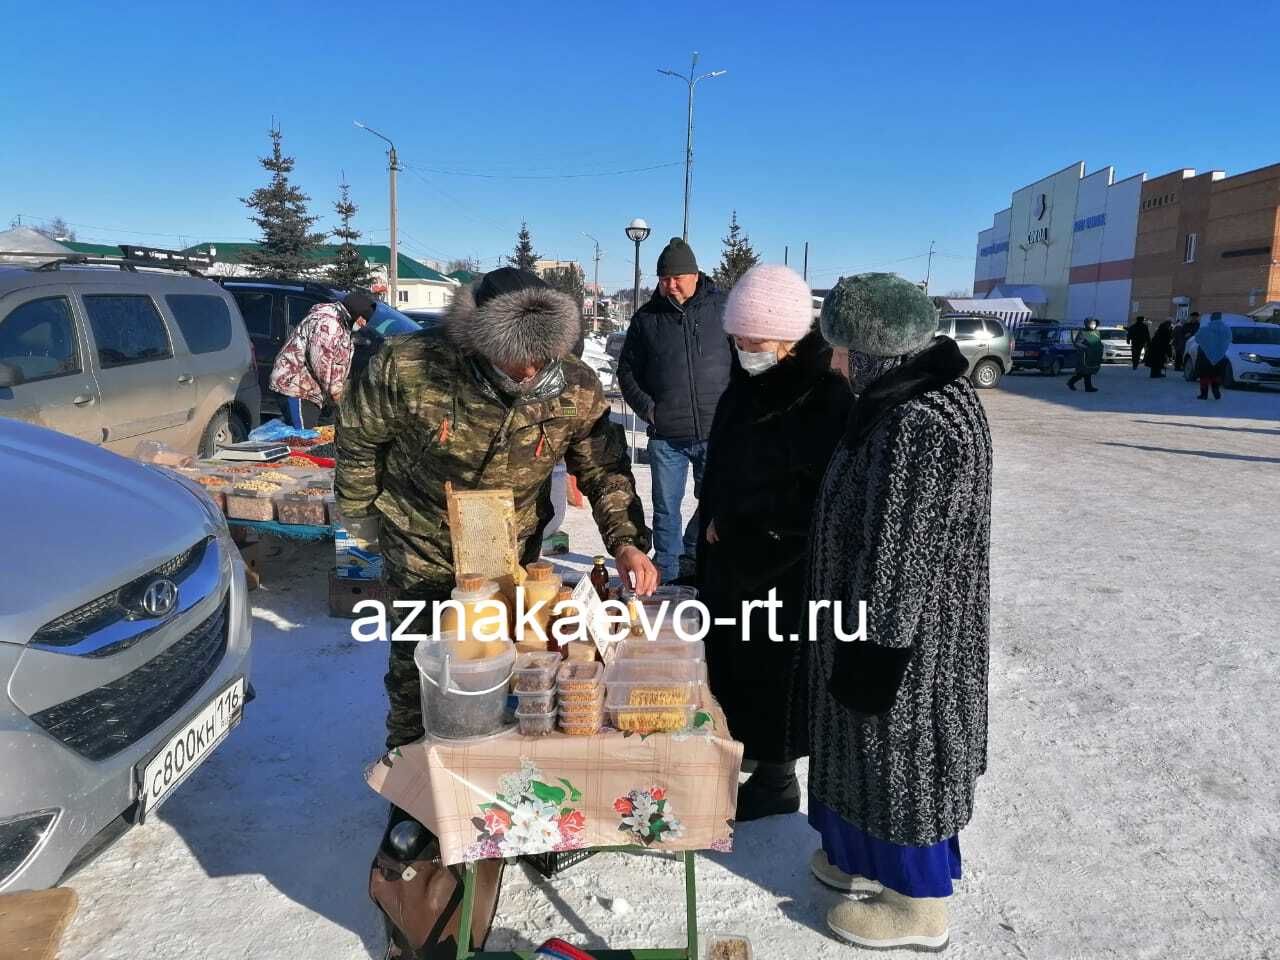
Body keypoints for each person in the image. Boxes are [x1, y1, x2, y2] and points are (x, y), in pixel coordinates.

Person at [336, 267, 657, 789]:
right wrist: (360, 514)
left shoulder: (573, 384)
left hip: (512, 550)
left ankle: (500, 784)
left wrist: (626, 543)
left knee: (513, 663)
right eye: (518, 357)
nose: (532, 371)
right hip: (423, 541)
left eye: (543, 357)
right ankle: (414, 783)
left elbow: (602, 467)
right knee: (421, 663)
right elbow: (358, 440)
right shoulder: (410, 365)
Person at [805, 273, 992, 951]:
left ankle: (916, 902)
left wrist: (874, 653)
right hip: (868, 623)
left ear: (873, 350)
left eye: (842, 348)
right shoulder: (899, 400)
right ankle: (859, 856)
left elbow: (902, 555)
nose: (834, 361)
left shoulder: (919, 420)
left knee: (901, 758)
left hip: (905, 642)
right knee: (861, 751)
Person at [696, 265, 852, 822]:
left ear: (788, 339)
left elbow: (819, 501)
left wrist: (741, 526)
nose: (742, 347)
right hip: (730, 562)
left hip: (783, 570)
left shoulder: (825, 399)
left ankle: (777, 779)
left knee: (775, 676)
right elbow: (724, 469)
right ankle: (743, 747)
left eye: (753, 339)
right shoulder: (745, 386)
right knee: (731, 665)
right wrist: (710, 522)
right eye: (735, 337)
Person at [617, 238, 732, 582]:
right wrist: (649, 410)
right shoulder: (646, 319)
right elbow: (626, 371)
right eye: (664, 278)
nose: (670, 285)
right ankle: (666, 572)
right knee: (666, 507)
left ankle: (694, 555)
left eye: (677, 277)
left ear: (695, 274)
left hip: (716, 430)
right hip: (667, 435)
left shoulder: (723, 307)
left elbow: (742, 360)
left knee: (715, 500)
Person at [269, 290, 376, 428]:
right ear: (355, 312)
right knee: (303, 437)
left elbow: (338, 363)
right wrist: (337, 393)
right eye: (363, 318)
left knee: (322, 433)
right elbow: (321, 362)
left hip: (313, 390)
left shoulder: (343, 326)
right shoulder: (328, 323)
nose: (363, 324)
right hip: (296, 386)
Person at [1194, 311, 1232, 400]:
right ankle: (1216, 391)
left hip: (1204, 356)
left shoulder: (1205, 329)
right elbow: (1229, 340)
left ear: (1212, 318)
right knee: (1216, 375)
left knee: (1204, 376)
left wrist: (1206, 344)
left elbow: (1197, 338)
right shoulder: (1226, 330)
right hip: (1220, 357)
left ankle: (1204, 394)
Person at [1066, 318, 1103, 392]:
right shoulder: (1083, 332)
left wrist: (1100, 347)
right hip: (1084, 355)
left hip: (1093, 355)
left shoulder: (1097, 332)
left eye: (1094, 324)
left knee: (1086, 372)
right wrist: (1086, 348)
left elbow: (1098, 342)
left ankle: (1073, 383)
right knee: (1085, 372)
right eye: (1091, 324)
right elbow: (1077, 343)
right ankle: (1086, 387)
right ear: (1087, 324)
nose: (1093, 325)